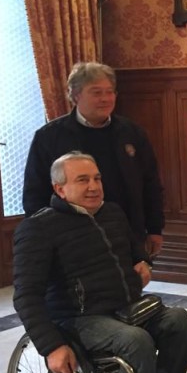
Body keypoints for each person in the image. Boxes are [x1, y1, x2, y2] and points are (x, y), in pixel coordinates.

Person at [12, 152, 187, 373]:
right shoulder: (38, 229)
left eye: (97, 178)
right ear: (60, 189)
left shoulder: (111, 213)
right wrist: (52, 346)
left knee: (179, 320)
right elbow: (26, 295)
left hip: (124, 307)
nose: (94, 186)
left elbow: (135, 250)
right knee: (134, 341)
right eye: (82, 180)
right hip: (77, 318)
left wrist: (142, 261)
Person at [23, 62, 165, 256]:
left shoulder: (132, 133)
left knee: (129, 284)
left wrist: (155, 228)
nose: (106, 99)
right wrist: (44, 235)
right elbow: (35, 192)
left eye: (110, 92)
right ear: (75, 95)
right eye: (96, 93)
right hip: (71, 237)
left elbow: (151, 184)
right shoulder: (49, 137)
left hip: (128, 233)